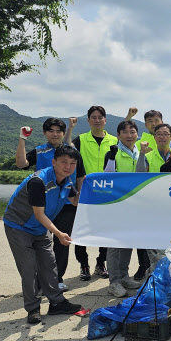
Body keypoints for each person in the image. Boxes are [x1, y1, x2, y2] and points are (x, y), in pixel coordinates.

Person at [4, 145, 83, 324]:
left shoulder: (68, 180)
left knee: (49, 264)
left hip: (40, 228)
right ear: (54, 162)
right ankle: (33, 308)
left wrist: (91, 189)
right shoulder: (38, 182)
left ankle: (57, 303)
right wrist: (59, 233)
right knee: (29, 268)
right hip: (19, 226)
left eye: (72, 163)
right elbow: (39, 214)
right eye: (64, 162)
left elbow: (75, 201)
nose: (68, 166)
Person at [15, 118, 84, 292]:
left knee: (62, 242)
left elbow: (80, 176)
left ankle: (57, 279)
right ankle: (39, 282)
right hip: (42, 205)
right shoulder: (40, 151)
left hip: (65, 201)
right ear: (45, 133)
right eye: (51, 131)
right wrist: (22, 139)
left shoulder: (73, 152)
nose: (55, 134)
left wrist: (80, 199)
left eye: (58, 131)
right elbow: (21, 164)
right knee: (40, 244)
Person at [71, 106, 118, 281]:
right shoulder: (80, 140)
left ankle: (101, 263)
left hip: (108, 193)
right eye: (93, 117)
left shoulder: (114, 140)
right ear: (88, 120)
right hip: (85, 193)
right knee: (81, 231)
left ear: (105, 120)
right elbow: (66, 149)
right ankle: (84, 265)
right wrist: (70, 129)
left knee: (105, 231)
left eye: (100, 117)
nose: (97, 120)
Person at [100, 121, 144, 297]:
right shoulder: (113, 153)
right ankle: (114, 281)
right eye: (124, 132)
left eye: (132, 132)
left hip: (133, 206)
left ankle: (124, 276)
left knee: (127, 242)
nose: (129, 135)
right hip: (116, 204)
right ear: (118, 135)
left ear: (137, 135)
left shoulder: (139, 153)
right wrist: (111, 158)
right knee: (114, 245)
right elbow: (107, 176)